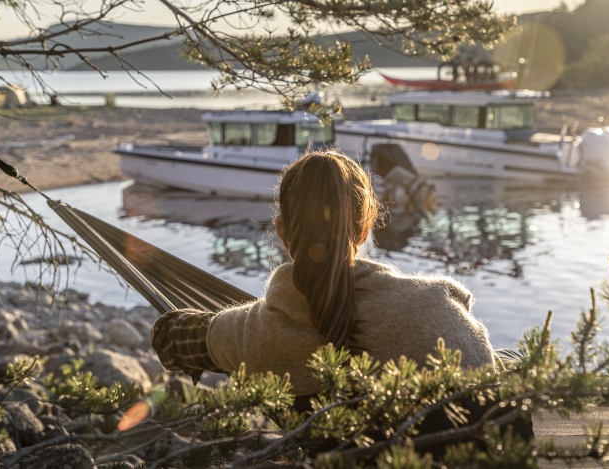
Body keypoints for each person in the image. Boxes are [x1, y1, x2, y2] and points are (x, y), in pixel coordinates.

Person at [151, 150, 496, 395]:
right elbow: (490, 383)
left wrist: (195, 326)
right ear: (364, 230)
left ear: (281, 230)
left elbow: (173, 338)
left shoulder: (258, 335)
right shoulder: (435, 309)